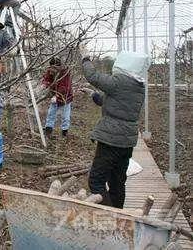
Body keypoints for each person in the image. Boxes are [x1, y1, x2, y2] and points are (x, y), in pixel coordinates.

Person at [80, 47, 150, 209]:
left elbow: (92, 76)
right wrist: (93, 94)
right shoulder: (138, 86)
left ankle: (109, 214)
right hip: (126, 142)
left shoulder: (120, 81)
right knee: (117, 182)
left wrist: (85, 58)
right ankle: (118, 215)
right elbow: (111, 102)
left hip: (111, 140)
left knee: (96, 181)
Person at [42, 57, 73, 137]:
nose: (52, 70)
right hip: (54, 95)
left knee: (65, 116)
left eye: (54, 68)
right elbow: (46, 78)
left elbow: (64, 87)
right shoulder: (50, 70)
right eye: (51, 67)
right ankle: (48, 129)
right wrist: (45, 84)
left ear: (58, 66)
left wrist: (57, 96)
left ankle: (64, 131)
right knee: (51, 113)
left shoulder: (65, 73)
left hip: (65, 97)